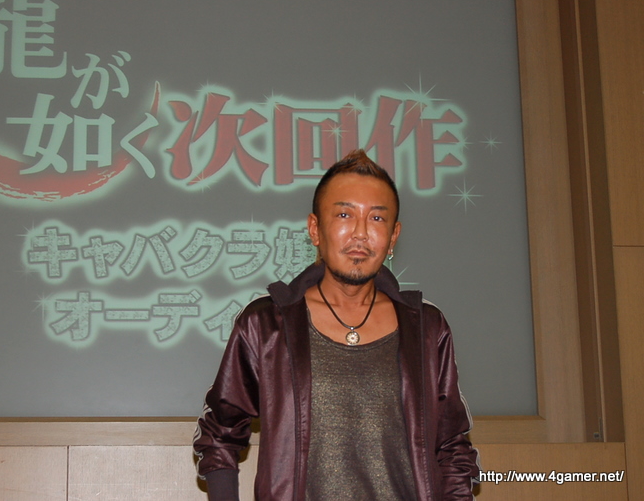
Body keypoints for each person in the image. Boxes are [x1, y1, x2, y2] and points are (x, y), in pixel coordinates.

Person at [193, 149, 480, 500]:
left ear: (393, 236)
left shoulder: (426, 328)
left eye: (377, 218)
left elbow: (452, 446)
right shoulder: (267, 324)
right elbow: (218, 433)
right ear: (315, 229)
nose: (360, 233)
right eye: (344, 214)